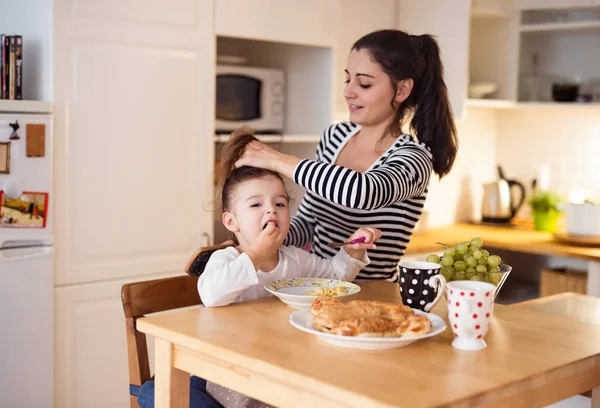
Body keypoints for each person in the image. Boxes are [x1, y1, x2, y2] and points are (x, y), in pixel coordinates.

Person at [235, 29, 458, 282]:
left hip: (375, 300)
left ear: (402, 90)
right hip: (317, 292)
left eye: (364, 83)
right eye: (347, 80)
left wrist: (274, 159)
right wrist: (252, 243)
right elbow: (309, 223)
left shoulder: (414, 159)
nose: (348, 92)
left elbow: (363, 192)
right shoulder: (335, 137)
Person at [198, 126, 381, 407]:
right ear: (231, 222)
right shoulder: (226, 260)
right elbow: (211, 294)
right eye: (256, 204)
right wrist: (256, 254)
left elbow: (333, 277)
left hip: (285, 366)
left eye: (280, 204)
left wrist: (351, 251)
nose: (271, 210)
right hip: (236, 375)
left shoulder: (295, 258)